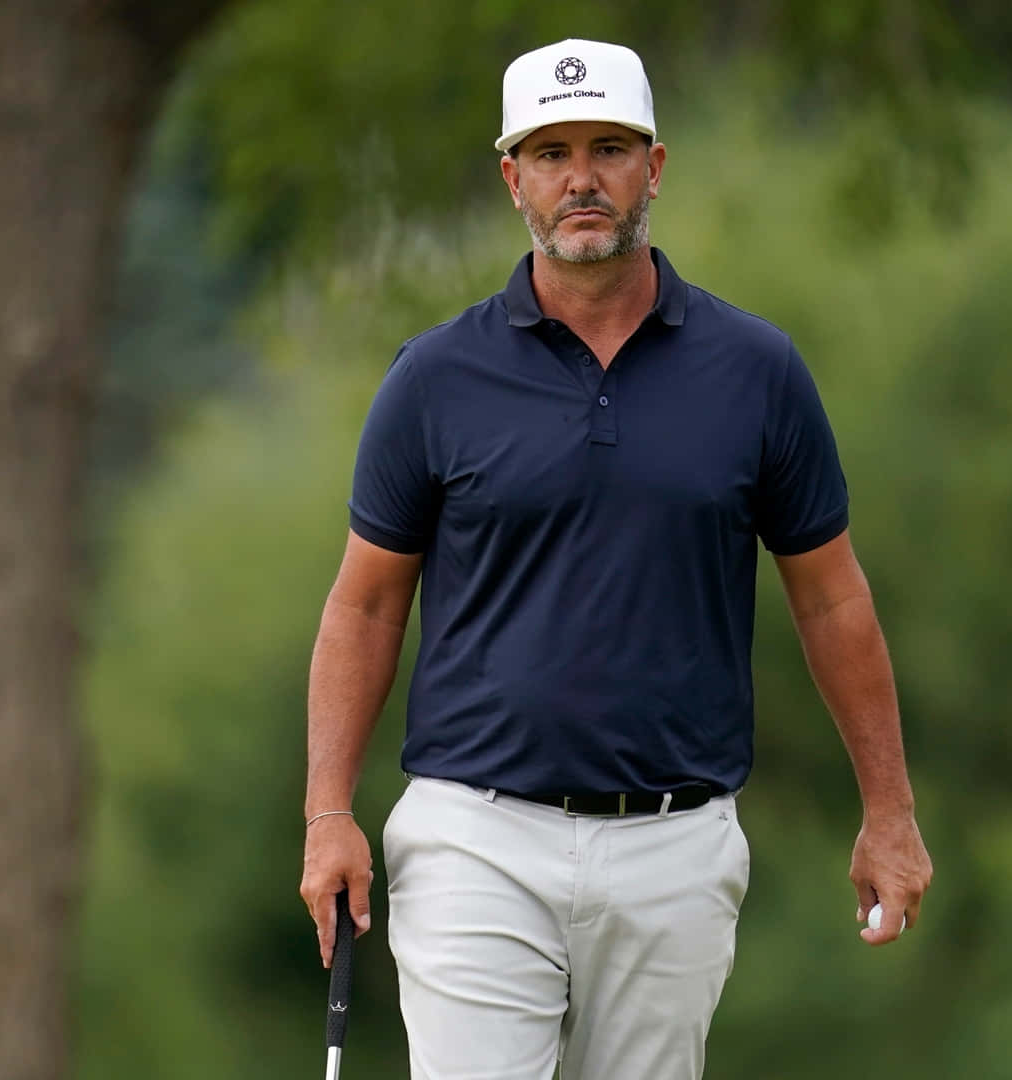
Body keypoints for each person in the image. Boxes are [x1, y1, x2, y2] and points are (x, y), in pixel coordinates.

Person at [296, 37, 932, 1079]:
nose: (580, 178)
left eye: (607, 148)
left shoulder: (758, 372)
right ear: (513, 179)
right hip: (474, 836)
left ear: (654, 166)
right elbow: (365, 607)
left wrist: (891, 814)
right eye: (549, 153)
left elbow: (830, 598)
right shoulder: (435, 378)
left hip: (676, 843)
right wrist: (329, 814)